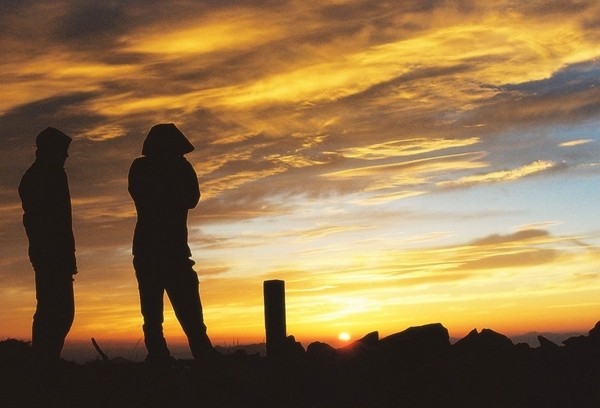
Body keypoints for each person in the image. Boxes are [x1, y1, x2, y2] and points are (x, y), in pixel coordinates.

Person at [128, 123, 215, 366]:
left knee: (160, 310)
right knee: (167, 310)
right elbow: (190, 198)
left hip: (153, 249)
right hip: (167, 250)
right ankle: (172, 356)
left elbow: (190, 199)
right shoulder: (160, 167)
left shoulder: (143, 167)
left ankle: (171, 356)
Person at [18, 127, 77, 372]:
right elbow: (43, 221)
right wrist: (57, 252)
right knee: (56, 310)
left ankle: (45, 361)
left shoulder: (46, 175)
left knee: (56, 309)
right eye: (63, 150)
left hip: (53, 253)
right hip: (50, 253)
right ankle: (44, 364)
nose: (66, 156)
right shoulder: (42, 177)